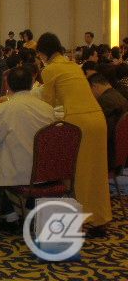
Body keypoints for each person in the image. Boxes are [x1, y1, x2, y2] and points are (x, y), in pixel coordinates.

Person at [37, 32, 112, 236]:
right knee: (97, 171)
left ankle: (85, 219)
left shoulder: (50, 69)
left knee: (81, 173)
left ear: (43, 53)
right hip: (97, 118)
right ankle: (100, 218)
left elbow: (47, 102)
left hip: (80, 123)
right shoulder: (72, 65)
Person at [0, 66, 55, 230]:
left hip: (19, 170)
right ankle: (30, 210)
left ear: (8, 85)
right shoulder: (47, 108)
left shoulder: (7, 108)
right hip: (47, 169)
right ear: (32, 83)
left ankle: (9, 216)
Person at [88, 73, 128, 170]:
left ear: (94, 86)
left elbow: (101, 131)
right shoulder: (117, 95)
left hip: (109, 154)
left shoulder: (104, 101)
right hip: (122, 151)